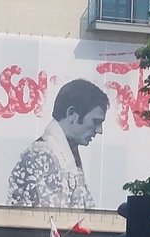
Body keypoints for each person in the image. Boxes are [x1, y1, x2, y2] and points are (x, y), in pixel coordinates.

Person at [6, 79, 109, 209]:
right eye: (95, 121)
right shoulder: (40, 156)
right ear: (71, 113)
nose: (99, 130)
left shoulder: (64, 153)